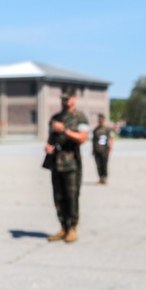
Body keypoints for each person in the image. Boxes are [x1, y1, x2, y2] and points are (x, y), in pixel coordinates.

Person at [45, 87, 89, 243]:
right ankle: (63, 226)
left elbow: (82, 138)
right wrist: (48, 146)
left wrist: (64, 130)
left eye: (68, 98)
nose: (65, 101)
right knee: (58, 197)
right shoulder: (55, 117)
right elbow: (51, 138)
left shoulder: (80, 117)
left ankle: (73, 228)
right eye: (63, 99)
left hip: (71, 163)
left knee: (72, 196)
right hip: (56, 162)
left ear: (74, 99)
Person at [92, 113, 114, 184]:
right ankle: (100, 178)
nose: (100, 122)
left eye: (102, 121)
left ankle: (105, 177)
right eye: (99, 121)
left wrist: (110, 147)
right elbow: (93, 140)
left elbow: (111, 138)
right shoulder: (96, 129)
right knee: (98, 165)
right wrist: (93, 149)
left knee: (104, 164)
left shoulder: (107, 129)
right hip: (97, 149)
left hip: (104, 149)